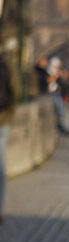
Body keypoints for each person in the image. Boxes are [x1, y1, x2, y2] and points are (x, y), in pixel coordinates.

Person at [0, 53, 19, 224]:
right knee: (0, 164)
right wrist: (10, 113)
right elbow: (17, 89)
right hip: (2, 118)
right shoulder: (6, 59)